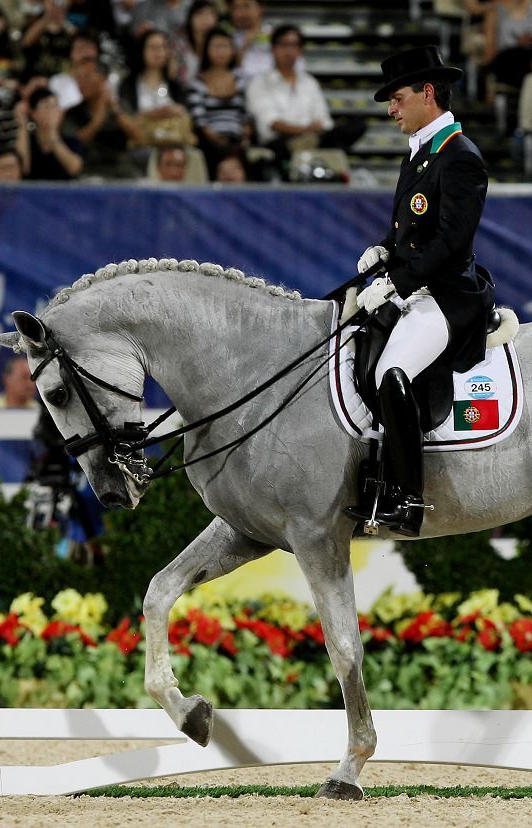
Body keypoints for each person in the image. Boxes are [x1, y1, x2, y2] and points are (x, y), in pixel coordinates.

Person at [344, 46, 494, 537]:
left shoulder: (460, 156)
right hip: (414, 288)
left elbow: (452, 243)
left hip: (447, 296)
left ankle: (407, 498)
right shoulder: (420, 151)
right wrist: (383, 250)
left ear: (428, 93)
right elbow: (411, 228)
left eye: (398, 98)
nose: (391, 109)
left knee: (392, 372)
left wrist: (396, 283)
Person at [246, 24, 365, 177]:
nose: (289, 51)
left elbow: (323, 121)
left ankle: (328, 165)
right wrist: (305, 130)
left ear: (300, 50)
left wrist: (313, 132)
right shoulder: (259, 83)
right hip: (281, 142)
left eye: (294, 45)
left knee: (356, 125)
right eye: (284, 45)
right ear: (273, 49)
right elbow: (272, 123)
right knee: (287, 145)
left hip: (315, 138)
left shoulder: (309, 82)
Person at [62, 56, 142, 178]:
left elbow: (138, 136)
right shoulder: (72, 113)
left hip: (121, 168)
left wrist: (115, 110)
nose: (81, 82)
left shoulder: (120, 106)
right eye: (78, 78)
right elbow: (76, 142)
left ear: (103, 78)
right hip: (88, 169)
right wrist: (99, 119)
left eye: (87, 77)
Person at [185, 25, 249, 176]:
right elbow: (200, 120)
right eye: (216, 47)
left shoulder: (241, 80)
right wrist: (217, 139)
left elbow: (246, 114)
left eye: (225, 46)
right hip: (209, 141)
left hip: (237, 138)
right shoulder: (197, 83)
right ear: (207, 50)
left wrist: (245, 135)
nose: (221, 52)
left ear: (233, 50)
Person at [14, 85, 84, 179]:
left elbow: (75, 169)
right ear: (34, 113)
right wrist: (22, 124)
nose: (52, 112)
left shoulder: (71, 141)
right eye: (46, 107)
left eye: (55, 106)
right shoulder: (28, 141)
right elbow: (23, 169)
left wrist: (52, 134)